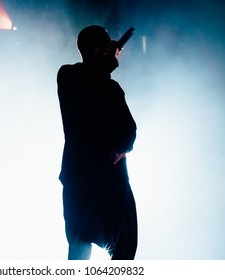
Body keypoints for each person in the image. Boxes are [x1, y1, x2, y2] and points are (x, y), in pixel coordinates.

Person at [57, 25, 138, 260]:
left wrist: (123, 147)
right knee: (91, 243)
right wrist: (108, 62)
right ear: (96, 50)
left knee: (99, 243)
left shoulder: (107, 86)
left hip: (93, 176)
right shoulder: (70, 75)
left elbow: (129, 132)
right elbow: (92, 85)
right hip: (94, 177)